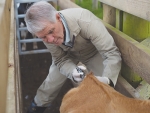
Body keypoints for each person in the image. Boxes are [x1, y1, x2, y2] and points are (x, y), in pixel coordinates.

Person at [25, 1, 122, 113]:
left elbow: (111, 53)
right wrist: (72, 71)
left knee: (105, 87)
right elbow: (60, 59)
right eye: (43, 37)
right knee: (51, 82)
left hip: (93, 53)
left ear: (58, 17)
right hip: (67, 54)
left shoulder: (85, 21)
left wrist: (107, 80)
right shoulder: (46, 32)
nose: (50, 40)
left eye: (51, 31)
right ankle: (35, 108)